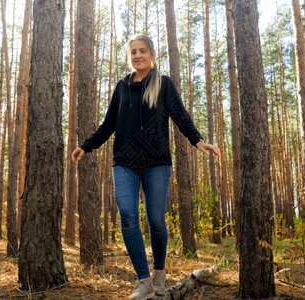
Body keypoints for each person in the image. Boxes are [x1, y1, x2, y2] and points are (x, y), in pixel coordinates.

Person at [71, 34, 219, 300]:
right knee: (127, 214)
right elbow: (109, 124)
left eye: (142, 51)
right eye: (133, 52)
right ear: (130, 56)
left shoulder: (163, 84)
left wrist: (198, 141)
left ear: (151, 53)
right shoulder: (122, 86)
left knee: (155, 220)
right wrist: (87, 145)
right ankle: (144, 281)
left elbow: (180, 116)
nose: (138, 55)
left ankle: (160, 271)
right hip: (124, 163)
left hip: (156, 163)